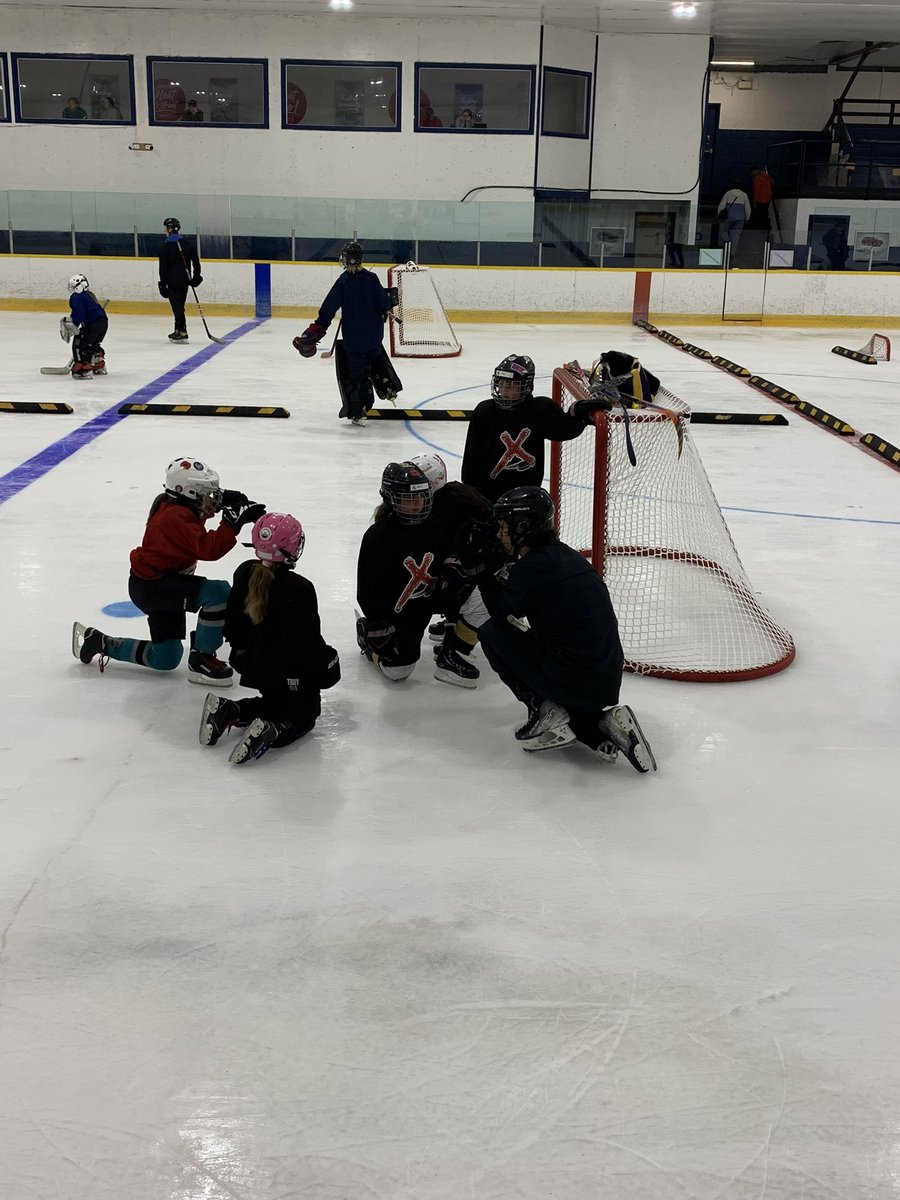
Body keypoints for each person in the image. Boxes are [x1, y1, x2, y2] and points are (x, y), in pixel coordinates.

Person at [476, 486, 657, 769]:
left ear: (522, 527)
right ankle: (605, 726)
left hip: (574, 677)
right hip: (607, 678)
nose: (499, 535)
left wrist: (484, 571)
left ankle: (544, 709)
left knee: (491, 634)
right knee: (546, 646)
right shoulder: (566, 556)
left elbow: (502, 614)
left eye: (504, 527)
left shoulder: (531, 567)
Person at [72, 458, 264, 685]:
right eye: (206, 494)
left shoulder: (177, 508)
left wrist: (226, 506)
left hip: (160, 585)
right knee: (219, 592)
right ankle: (201, 658)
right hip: (156, 588)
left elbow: (194, 522)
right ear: (189, 493)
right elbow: (208, 548)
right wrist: (231, 524)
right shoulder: (174, 517)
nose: (211, 499)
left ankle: (101, 642)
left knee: (166, 658)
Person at [199, 513, 341, 765]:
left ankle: (229, 709)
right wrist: (328, 664)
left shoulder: (244, 572)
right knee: (305, 714)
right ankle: (271, 730)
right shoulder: (299, 588)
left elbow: (232, 627)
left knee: (274, 702)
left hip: (253, 667)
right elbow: (305, 645)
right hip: (287, 673)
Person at [356, 461, 451, 682]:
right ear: (389, 498)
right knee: (399, 670)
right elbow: (367, 592)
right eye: (407, 499)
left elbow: (448, 558)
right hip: (397, 617)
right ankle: (366, 638)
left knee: (477, 598)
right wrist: (380, 624)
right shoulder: (377, 537)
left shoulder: (434, 525)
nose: (416, 504)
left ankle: (456, 641)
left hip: (427, 602)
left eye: (419, 498)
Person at [292, 239, 401, 425]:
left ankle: (359, 410)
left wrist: (314, 332)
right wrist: (387, 299)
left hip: (354, 340)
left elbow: (327, 311)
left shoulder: (343, 282)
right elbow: (384, 304)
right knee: (375, 357)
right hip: (374, 336)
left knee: (355, 373)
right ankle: (387, 386)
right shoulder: (372, 279)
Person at [461, 355, 595, 504]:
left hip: (527, 499)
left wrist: (579, 414)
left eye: (511, 385)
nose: (504, 390)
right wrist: (473, 496)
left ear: (527, 385)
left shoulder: (539, 409)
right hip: (488, 496)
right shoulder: (484, 411)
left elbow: (564, 429)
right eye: (501, 384)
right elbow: (472, 459)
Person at [409, 452, 492, 688]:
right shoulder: (452, 496)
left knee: (486, 599)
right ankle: (454, 624)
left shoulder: (452, 507)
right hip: (466, 570)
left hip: (476, 573)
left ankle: (454, 652)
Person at [158, 216, 202, 343]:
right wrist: (196, 276)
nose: (164, 231)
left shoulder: (165, 247)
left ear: (170, 229)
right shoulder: (187, 244)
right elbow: (196, 261)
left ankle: (182, 331)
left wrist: (162, 283)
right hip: (184, 282)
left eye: (165, 228)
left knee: (177, 307)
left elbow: (163, 268)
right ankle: (179, 329)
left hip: (173, 282)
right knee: (179, 306)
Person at [66, 274, 108, 380]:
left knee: (81, 343)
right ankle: (98, 364)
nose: (71, 288)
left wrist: (73, 325)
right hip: (103, 324)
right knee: (93, 344)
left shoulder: (76, 297)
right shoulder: (90, 295)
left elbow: (79, 314)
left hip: (94, 325)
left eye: (73, 286)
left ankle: (83, 369)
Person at [716, 181, 751, 257]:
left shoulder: (728, 193)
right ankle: (732, 253)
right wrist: (747, 218)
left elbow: (722, 205)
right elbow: (747, 208)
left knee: (724, 232)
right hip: (739, 219)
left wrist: (719, 214)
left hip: (728, 218)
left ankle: (727, 246)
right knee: (736, 236)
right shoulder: (744, 195)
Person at [748, 166, 774, 231]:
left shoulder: (757, 178)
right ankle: (766, 228)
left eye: (752, 172)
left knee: (760, 215)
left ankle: (760, 228)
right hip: (767, 199)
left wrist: (754, 202)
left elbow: (756, 191)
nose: (753, 174)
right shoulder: (767, 176)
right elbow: (773, 183)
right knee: (765, 214)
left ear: (755, 170)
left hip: (760, 199)